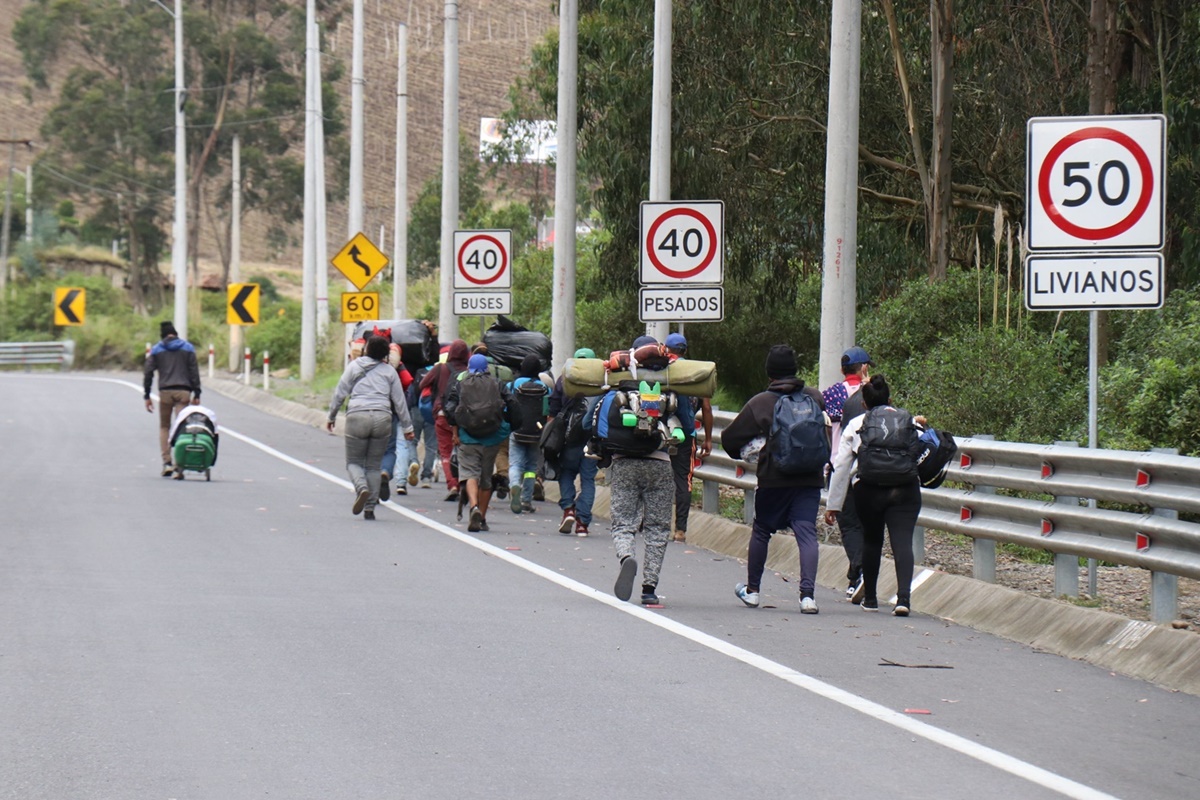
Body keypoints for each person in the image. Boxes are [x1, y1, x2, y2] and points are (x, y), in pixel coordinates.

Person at [721, 344, 828, 614]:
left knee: (762, 530)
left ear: (769, 372)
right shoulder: (814, 398)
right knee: (806, 533)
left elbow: (730, 441)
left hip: (774, 479)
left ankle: (753, 591)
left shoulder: (760, 403)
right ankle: (807, 597)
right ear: (794, 370)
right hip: (809, 478)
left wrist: (752, 448)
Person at [824, 375, 924, 617]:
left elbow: (842, 466)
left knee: (872, 540)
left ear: (864, 404)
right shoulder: (908, 420)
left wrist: (833, 505)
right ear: (890, 399)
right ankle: (903, 599)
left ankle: (870, 599)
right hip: (905, 489)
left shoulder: (857, 423)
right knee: (902, 542)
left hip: (869, 490)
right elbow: (923, 452)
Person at [607, 336, 677, 605]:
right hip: (660, 463)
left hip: (625, 462)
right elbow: (683, 419)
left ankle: (626, 556)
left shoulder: (619, 382)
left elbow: (601, 421)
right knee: (658, 528)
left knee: (624, 523)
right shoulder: (670, 386)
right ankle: (649, 588)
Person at [327, 335, 415, 520]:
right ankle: (369, 508)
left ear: (366, 349)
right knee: (374, 466)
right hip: (383, 417)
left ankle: (362, 488)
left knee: (354, 462)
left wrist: (331, 416)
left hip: (358, 415)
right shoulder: (390, 371)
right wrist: (408, 428)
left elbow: (340, 393)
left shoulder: (354, 366)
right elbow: (400, 402)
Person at [444, 353, 519, 532]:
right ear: (487, 368)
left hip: (468, 437)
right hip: (492, 438)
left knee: (470, 474)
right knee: (486, 478)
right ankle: (482, 518)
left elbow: (449, 408)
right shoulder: (497, 383)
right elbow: (512, 404)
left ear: (469, 367)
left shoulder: (461, 384)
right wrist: (509, 425)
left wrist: (457, 426)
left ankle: (473, 506)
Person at [821, 345, 873, 599]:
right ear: (864, 368)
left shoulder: (831, 394)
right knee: (866, 524)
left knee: (849, 525)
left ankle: (858, 574)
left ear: (842, 370)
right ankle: (857, 576)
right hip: (872, 468)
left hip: (840, 466)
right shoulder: (874, 394)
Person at [663, 332, 713, 543]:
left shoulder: (660, 369)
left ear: (666, 350)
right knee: (683, 480)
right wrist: (708, 439)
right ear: (684, 351)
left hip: (660, 432)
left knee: (655, 475)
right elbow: (707, 408)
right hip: (686, 434)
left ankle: (647, 521)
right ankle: (680, 530)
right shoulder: (695, 372)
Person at [548, 347, 600, 536]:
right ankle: (582, 523)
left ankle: (569, 509)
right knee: (588, 479)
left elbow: (554, 407)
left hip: (570, 439)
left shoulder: (565, 379)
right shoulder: (602, 382)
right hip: (593, 440)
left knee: (567, 473)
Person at [143, 321, 202, 476]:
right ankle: (180, 464)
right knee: (181, 426)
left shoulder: (157, 349)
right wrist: (197, 393)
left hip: (165, 393)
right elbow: (194, 372)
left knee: (165, 427)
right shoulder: (188, 348)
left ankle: (167, 462)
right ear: (175, 333)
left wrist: (147, 395)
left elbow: (148, 372)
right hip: (184, 392)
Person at [419, 339, 470, 501]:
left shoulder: (440, 368)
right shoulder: (469, 371)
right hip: (464, 417)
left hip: (442, 414)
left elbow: (422, 384)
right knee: (465, 453)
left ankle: (452, 484)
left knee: (446, 452)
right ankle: (465, 484)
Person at [507, 354, 548, 514]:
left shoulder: (514, 384)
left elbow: (507, 405)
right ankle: (526, 500)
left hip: (517, 430)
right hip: (537, 433)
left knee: (516, 464)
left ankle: (515, 484)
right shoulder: (545, 387)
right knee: (531, 467)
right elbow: (548, 410)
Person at [380, 343, 415, 501]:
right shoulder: (397, 369)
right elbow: (407, 384)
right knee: (394, 447)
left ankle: (367, 485)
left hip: (367, 410)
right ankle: (390, 474)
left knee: (370, 449)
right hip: (392, 413)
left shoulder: (366, 365)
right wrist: (408, 426)